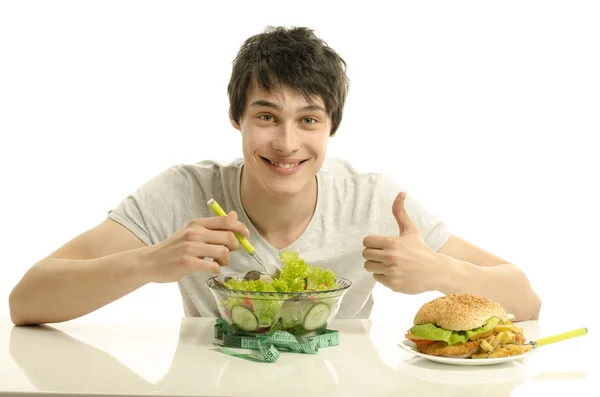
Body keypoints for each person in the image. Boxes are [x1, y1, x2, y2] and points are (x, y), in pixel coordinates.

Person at [8, 26, 541, 326]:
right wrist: (150, 262)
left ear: (332, 127)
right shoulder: (184, 192)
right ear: (237, 118)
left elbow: (526, 299)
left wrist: (440, 270)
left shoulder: (373, 199)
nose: (286, 143)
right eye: (266, 116)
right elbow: (27, 300)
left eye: (308, 120)